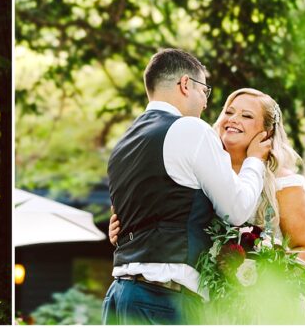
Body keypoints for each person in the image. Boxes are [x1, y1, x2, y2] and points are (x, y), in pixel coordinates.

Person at [109, 88, 305, 323]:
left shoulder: (284, 183)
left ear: (267, 132)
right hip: (212, 305)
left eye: (246, 116)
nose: (233, 119)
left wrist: (262, 280)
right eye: (229, 112)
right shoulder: (202, 174)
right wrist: (125, 228)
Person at [102, 48, 271, 325]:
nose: (206, 104)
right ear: (185, 84)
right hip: (163, 300)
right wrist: (254, 161)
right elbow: (238, 210)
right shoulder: (192, 129)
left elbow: (137, 213)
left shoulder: (122, 145)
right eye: (205, 91)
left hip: (119, 296)